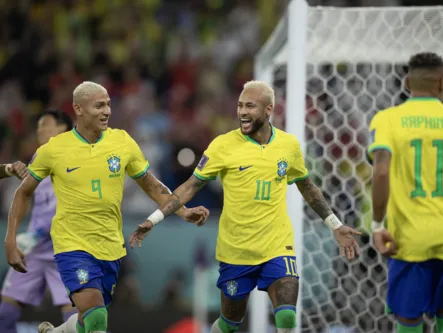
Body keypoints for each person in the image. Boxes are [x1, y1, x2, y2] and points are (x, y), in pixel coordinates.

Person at [130, 80, 361, 333]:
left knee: (286, 317)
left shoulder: (288, 146)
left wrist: (335, 225)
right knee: (230, 324)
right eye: (240, 105)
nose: (242, 112)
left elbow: (308, 187)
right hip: (236, 251)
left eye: (250, 106)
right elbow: (189, 187)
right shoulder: (223, 145)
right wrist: (154, 219)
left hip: (277, 246)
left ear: (269, 109)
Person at [4, 81, 210, 333]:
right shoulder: (54, 149)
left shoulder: (122, 142)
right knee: (97, 316)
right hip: (72, 246)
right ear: (78, 109)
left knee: (89, 319)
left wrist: (183, 211)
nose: (107, 111)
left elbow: (152, 185)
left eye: (109, 105)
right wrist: (10, 239)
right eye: (99, 106)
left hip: (111, 247)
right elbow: (23, 192)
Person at [368, 52, 443, 333]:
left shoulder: (387, 119)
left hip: (409, 240)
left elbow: (381, 171)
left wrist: (376, 225)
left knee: (409, 321)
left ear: (407, 82)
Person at [0, 110, 77, 333]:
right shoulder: (38, 157)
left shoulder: (76, 158)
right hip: (33, 250)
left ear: (63, 128)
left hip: (64, 250)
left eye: (45, 124)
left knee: (73, 318)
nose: (39, 130)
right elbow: (25, 196)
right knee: (5, 314)